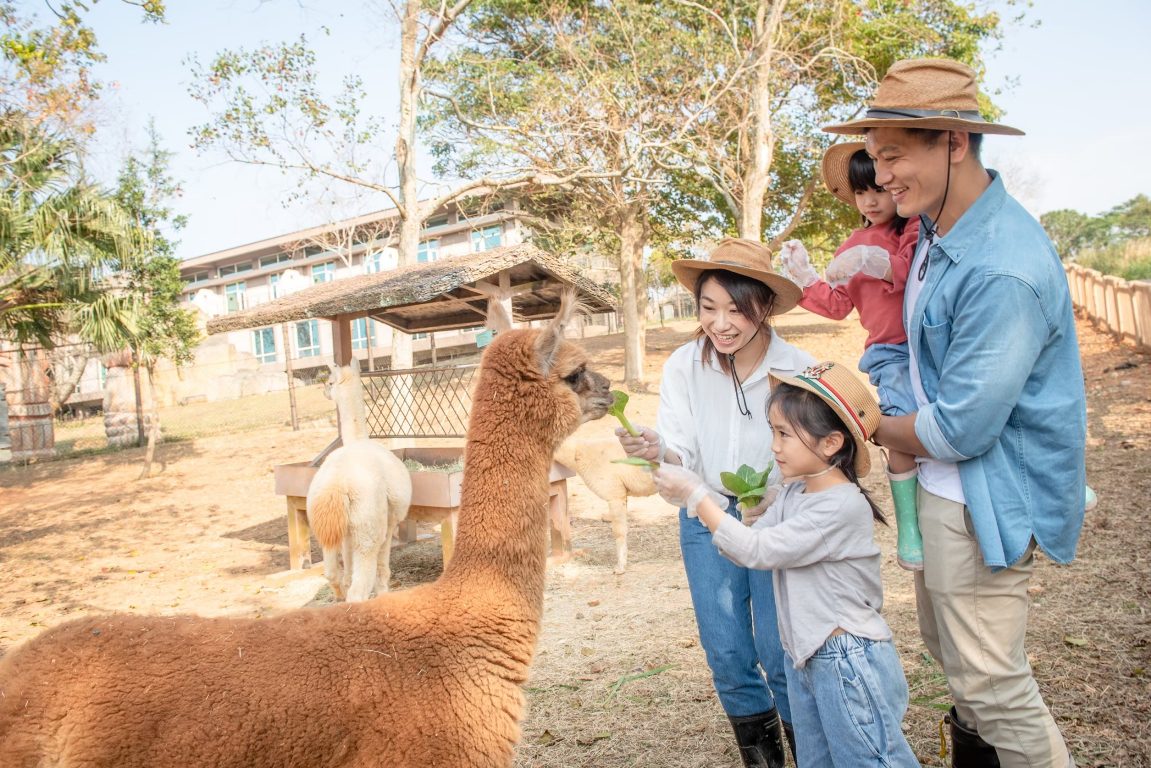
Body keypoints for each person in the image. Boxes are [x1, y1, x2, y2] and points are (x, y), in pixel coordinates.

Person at [824, 58, 1086, 767]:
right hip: (942, 490)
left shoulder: (1000, 267)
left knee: (993, 683)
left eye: (893, 155)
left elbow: (961, 429)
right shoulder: (936, 231)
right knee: (956, 657)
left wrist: (866, 423)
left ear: (953, 142)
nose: (880, 178)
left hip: (981, 496)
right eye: (874, 159)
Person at [651, 361, 920, 768]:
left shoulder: (839, 506)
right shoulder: (796, 493)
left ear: (831, 443)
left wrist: (696, 493)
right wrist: (756, 506)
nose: (774, 445)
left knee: (871, 761)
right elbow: (752, 538)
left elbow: (755, 552)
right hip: (809, 656)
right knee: (817, 761)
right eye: (772, 431)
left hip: (845, 657)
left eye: (784, 435)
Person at [616, 237, 812, 767]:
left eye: (736, 310)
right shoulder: (684, 365)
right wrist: (658, 448)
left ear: (764, 306)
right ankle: (763, 759)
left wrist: (774, 497)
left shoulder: (798, 367)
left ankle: (810, 752)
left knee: (781, 650)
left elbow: (817, 457)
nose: (720, 323)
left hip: (776, 519)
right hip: (706, 516)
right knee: (727, 652)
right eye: (708, 308)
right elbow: (680, 447)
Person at [777, 141, 925, 571]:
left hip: (933, 343)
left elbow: (909, 272)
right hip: (889, 352)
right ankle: (910, 528)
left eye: (877, 189)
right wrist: (804, 276)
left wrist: (871, 259)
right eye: (861, 193)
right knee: (897, 429)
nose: (871, 200)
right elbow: (838, 304)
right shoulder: (852, 242)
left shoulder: (913, 228)